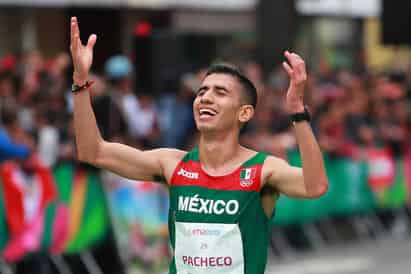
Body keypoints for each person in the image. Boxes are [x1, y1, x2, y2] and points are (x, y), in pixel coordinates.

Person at [69, 16, 328, 274]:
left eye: (220, 92)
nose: (205, 98)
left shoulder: (263, 170)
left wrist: (297, 112)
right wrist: (81, 83)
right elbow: (93, 151)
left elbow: (314, 186)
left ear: (244, 113)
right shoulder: (172, 164)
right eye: (202, 91)